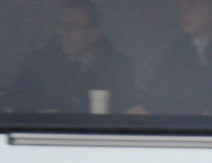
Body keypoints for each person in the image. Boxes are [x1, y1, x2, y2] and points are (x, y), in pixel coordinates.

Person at [2, 0, 138, 114]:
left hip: (100, 141)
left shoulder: (117, 66)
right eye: (61, 26)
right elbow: (11, 105)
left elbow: (128, 112)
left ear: (94, 33)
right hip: (45, 140)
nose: (65, 33)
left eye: (73, 27)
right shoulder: (37, 63)